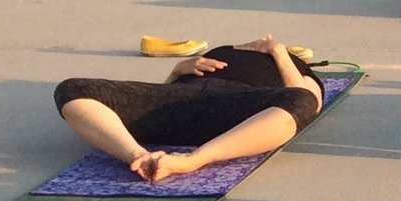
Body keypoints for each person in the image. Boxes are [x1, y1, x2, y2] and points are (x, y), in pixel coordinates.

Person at [54, 37, 325, 182]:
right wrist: (176, 71)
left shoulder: (296, 64)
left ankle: (192, 161)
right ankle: (137, 155)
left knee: (300, 102)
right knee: (72, 88)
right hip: (178, 98)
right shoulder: (223, 50)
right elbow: (154, 95)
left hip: (238, 106)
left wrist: (279, 52)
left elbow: (304, 98)